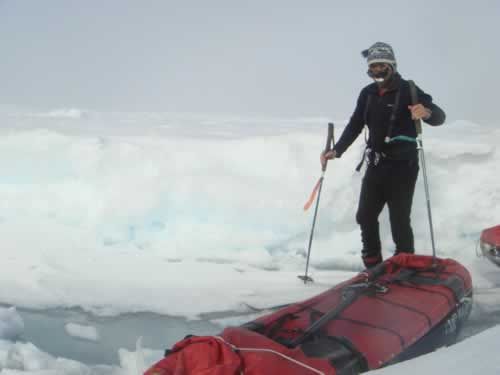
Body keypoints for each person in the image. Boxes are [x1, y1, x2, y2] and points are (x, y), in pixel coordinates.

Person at [321, 42, 446, 269]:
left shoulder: (409, 89)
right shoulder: (367, 93)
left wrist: (425, 112)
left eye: (382, 65)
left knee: (399, 221)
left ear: (392, 65)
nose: (377, 70)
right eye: (373, 66)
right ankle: (373, 266)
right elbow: (355, 124)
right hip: (376, 165)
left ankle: (405, 265)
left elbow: (439, 117)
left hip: (403, 166)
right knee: (365, 216)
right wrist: (337, 150)